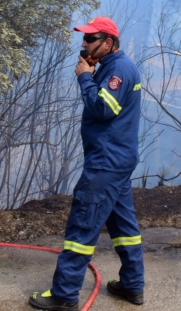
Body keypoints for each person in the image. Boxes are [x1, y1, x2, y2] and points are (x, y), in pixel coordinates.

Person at [29, 17, 145, 311]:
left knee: (82, 227)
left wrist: (84, 78)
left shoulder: (117, 70)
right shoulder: (113, 67)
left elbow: (103, 108)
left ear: (108, 42)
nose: (84, 44)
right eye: (84, 38)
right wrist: (92, 74)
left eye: (90, 39)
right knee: (125, 228)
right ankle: (132, 286)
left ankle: (65, 295)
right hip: (117, 160)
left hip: (106, 162)